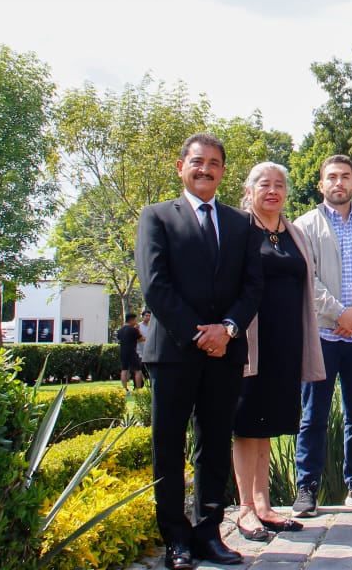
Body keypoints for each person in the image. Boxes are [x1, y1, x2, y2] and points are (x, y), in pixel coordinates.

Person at [136, 133, 266, 570]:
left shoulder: (241, 224)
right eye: (197, 161)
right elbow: (155, 285)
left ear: (223, 172)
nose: (205, 169)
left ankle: (209, 533)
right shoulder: (156, 217)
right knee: (169, 447)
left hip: (226, 353)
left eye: (214, 163)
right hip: (174, 353)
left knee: (213, 446)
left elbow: (253, 287)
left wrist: (226, 330)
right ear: (181, 167)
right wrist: (199, 334)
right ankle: (177, 540)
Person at [290, 155, 352, 517]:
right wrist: (339, 314)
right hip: (321, 334)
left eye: (345, 177)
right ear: (321, 185)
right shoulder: (303, 226)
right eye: (331, 177)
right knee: (313, 414)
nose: (339, 183)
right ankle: (307, 489)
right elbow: (307, 278)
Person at [231, 162, 324, 541]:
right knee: (246, 424)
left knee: (266, 426)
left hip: (285, 343)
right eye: (264, 184)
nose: (273, 191)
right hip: (250, 342)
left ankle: (264, 504)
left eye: (280, 185)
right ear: (249, 190)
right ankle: (245, 509)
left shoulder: (293, 233)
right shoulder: (240, 230)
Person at [116, 312, 144, 392]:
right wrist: (138, 329)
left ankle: (125, 389)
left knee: (124, 370)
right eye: (135, 320)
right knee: (137, 370)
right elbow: (141, 339)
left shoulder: (120, 330)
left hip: (123, 351)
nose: (135, 321)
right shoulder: (133, 330)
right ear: (131, 320)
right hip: (132, 351)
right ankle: (138, 389)